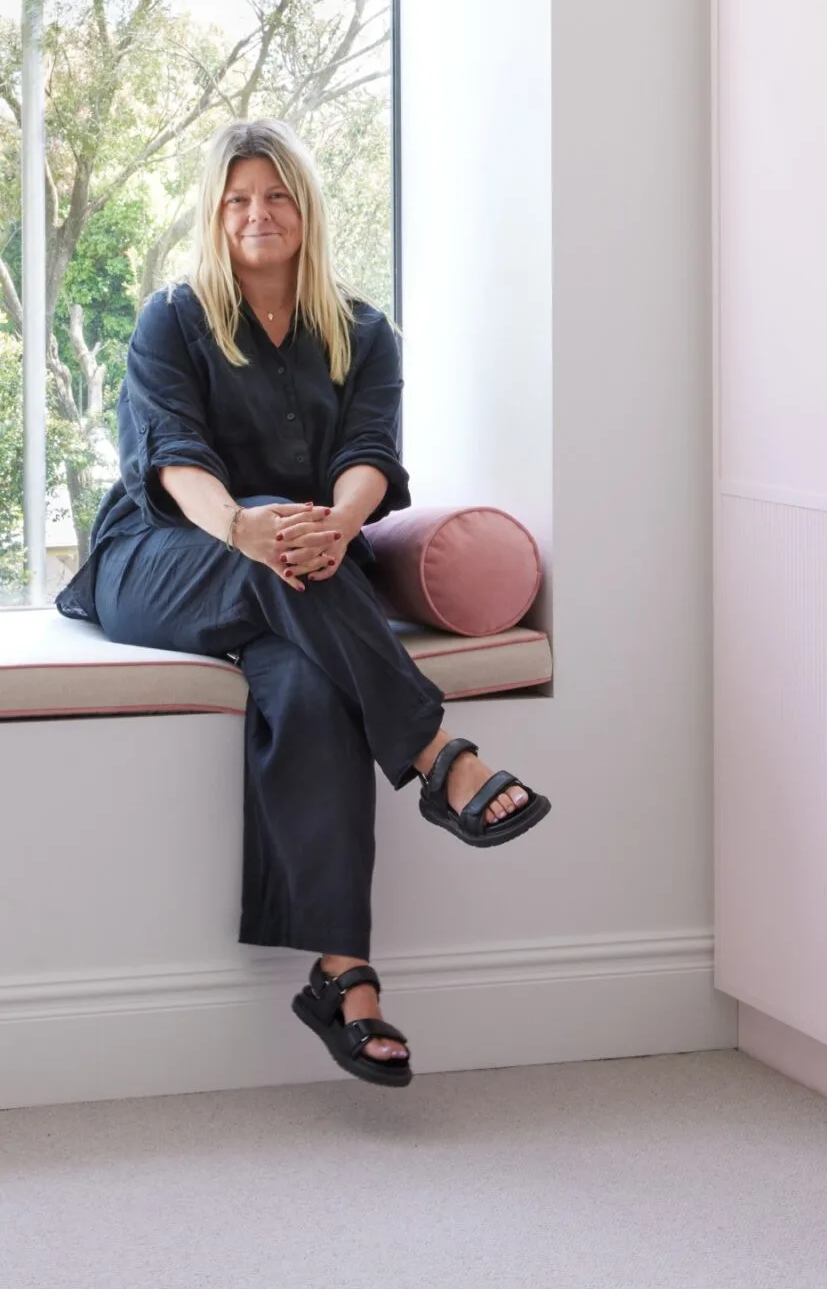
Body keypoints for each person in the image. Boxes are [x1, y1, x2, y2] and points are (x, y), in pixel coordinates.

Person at [57, 117, 550, 1091]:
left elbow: (372, 455)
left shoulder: (364, 332)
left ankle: (344, 980)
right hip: (160, 556)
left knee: (310, 682)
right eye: (238, 198)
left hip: (297, 575)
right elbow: (179, 462)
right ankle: (434, 752)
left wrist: (339, 522)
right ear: (215, 212)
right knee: (282, 527)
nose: (257, 214)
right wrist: (253, 528)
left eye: (276, 195)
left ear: (306, 208)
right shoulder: (174, 318)